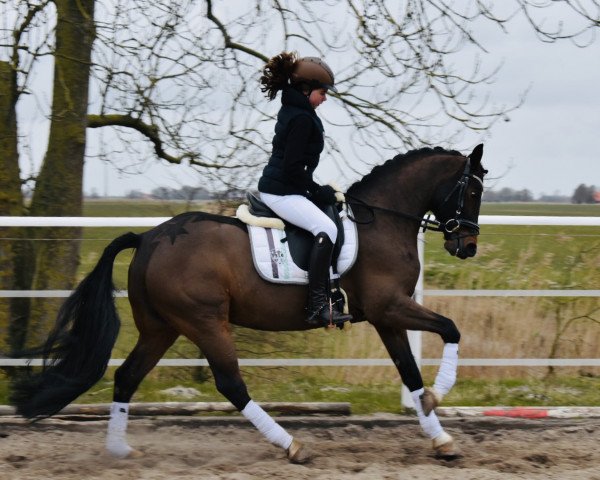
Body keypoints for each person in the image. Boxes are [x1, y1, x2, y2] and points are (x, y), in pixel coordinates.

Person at [257, 51, 353, 327]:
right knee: (328, 229)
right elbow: (292, 168)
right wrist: (314, 191)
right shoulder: (300, 118)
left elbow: (297, 169)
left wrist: (314, 189)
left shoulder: (298, 111)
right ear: (306, 89)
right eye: (323, 92)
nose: (325, 98)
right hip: (281, 192)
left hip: (286, 187)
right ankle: (316, 305)